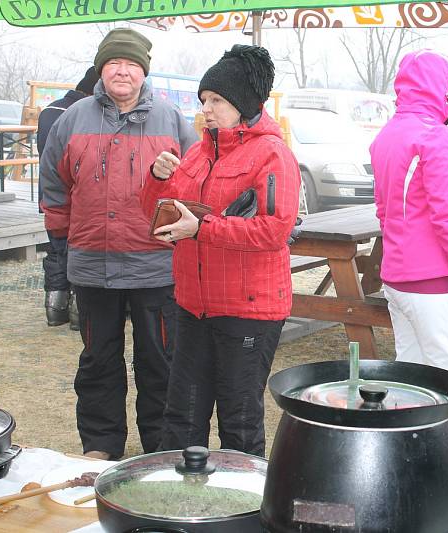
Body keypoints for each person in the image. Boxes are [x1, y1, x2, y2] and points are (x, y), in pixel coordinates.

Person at [40, 28, 199, 460]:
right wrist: (62, 246)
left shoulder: (172, 121)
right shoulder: (72, 118)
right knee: (97, 362)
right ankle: (100, 446)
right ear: (101, 69)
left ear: (143, 72)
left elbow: (198, 189)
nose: (122, 71)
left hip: (156, 269)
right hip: (91, 266)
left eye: (130, 65)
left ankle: (160, 451)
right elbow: (54, 186)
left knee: (160, 363)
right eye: (114, 64)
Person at [140, 44, 300, 458]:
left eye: (217, 101)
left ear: (243, 104)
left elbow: (274, 230)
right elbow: (159, 216)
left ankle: (245, 514)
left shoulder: (273, 155)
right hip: (193, 305)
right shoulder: (197, 152)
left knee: (239, 420)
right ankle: (176, 508)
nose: (207, 109)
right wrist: (157, 181)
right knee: (182, 417)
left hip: (249, 310)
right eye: (204, 100)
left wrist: (203, 228)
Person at [369, 49, 448, 377]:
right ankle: (429, 431)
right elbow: (447, 216)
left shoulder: (386, 134)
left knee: (408, 375)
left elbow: (383, 211)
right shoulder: (435, 136)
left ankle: (405, 429)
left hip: (395, 273)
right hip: (427, 279)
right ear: (437, 88)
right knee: (446, 379)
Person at [37, 66, 99, 330]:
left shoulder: (50, 109)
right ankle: (78, 311)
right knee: (79, 253)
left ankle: (55, 307)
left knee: (56, 250)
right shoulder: (84, 115)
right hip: (78, 195)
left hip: (49, 193)